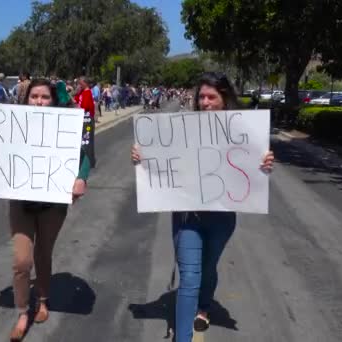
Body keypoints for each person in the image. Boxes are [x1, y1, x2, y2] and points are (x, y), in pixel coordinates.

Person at [131, 72, 275, 342]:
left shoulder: (243, 130)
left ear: (224, 99)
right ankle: (183, 338)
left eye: (212, 97)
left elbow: (253, 165)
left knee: (208, 269)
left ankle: (204, 306)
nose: (206, 102)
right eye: (202, 97)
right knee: (189, 278)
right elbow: (163, 158)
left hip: (221, 218)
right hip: (188, 217)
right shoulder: (183, 128)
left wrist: (264, 162)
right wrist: (142, 157)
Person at [0, 79, 90, 342]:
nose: (39, 101)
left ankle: (42, 298)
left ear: (53, 100)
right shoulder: (12, 122)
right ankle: (22, 312)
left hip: (52, 204)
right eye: (34, 97)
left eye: (44, 97)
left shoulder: (65, 125)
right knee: (21, 261)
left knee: (43, 253)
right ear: (26, 99)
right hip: (21, 202)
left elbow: (83, 155)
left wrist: (81, 177)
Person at [74, 76, 96, 168]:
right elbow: (75, 100)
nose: (79, 84)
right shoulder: (82, 92)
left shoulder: (88, 93)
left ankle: (89, 160)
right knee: (81, 140)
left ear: (85, 83)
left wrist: (78, 107)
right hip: (81, 119)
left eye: (80, 83)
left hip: (87, 120)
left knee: (86, 141)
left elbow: (85, 106)